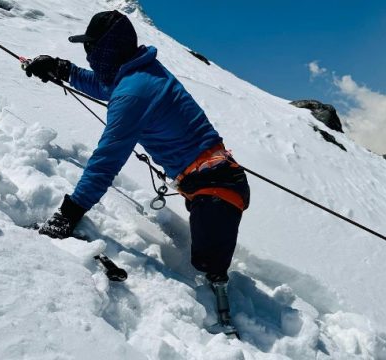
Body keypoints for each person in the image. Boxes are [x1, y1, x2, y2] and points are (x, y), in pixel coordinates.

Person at [25, 10, 250, 283]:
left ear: (106, 50)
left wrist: (69, 214)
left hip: (216, 192)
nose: (88, 54)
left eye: (91, 47)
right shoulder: (141, 73)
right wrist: (63, 69)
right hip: (212, 182)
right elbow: (108, 86)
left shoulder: (134, 92)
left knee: (208, 273)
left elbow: (106, 161)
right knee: (206, 270)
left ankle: (227, 319)